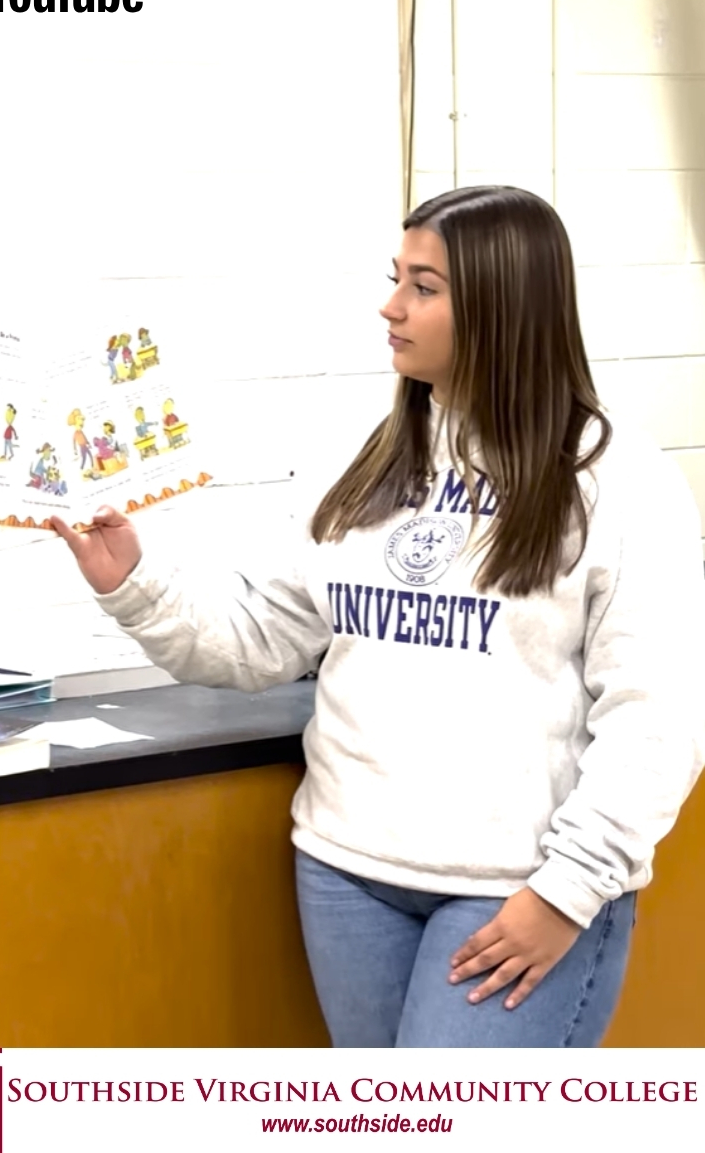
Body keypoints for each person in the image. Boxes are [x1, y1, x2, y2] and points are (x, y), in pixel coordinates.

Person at [50, 186, 705, 1049]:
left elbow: (658, 720)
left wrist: (567, 892)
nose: (390, 307)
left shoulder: (613, 480)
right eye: (397, 279)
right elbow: (261, 640)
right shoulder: (364, 463)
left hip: (517, 891)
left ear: (503, 303)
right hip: (348, 875)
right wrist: (133, 579)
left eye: (424, 287)